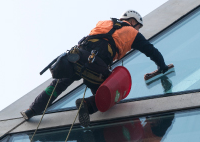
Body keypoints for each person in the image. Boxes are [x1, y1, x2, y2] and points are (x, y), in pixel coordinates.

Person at [22, 10, 171, 126]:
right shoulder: (132, 33)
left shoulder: (105, 22)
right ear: (132, 21)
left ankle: (32, 110)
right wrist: (162, 67)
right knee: (107, 95)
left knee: (56, 86)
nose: (138, 30)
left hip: (77, 58)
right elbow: (152, 52)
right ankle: (87, 104)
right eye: (138, 27)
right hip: (97, 67)